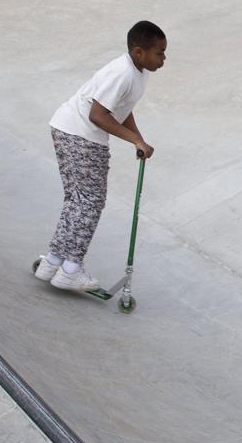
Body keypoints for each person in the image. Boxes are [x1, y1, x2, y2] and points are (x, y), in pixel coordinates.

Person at [35, 21, 167, 291]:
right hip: (81, 135)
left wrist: (138, 140)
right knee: (91, 202)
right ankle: (71, 269)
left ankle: (53, 261)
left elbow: (121, 107)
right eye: (159, 53)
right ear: (139, 52)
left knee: (77, 199)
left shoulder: (136, 72)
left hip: (66, 128)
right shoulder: (124, 73)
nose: (163, 59)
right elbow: (98, 115)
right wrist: (133, 140)